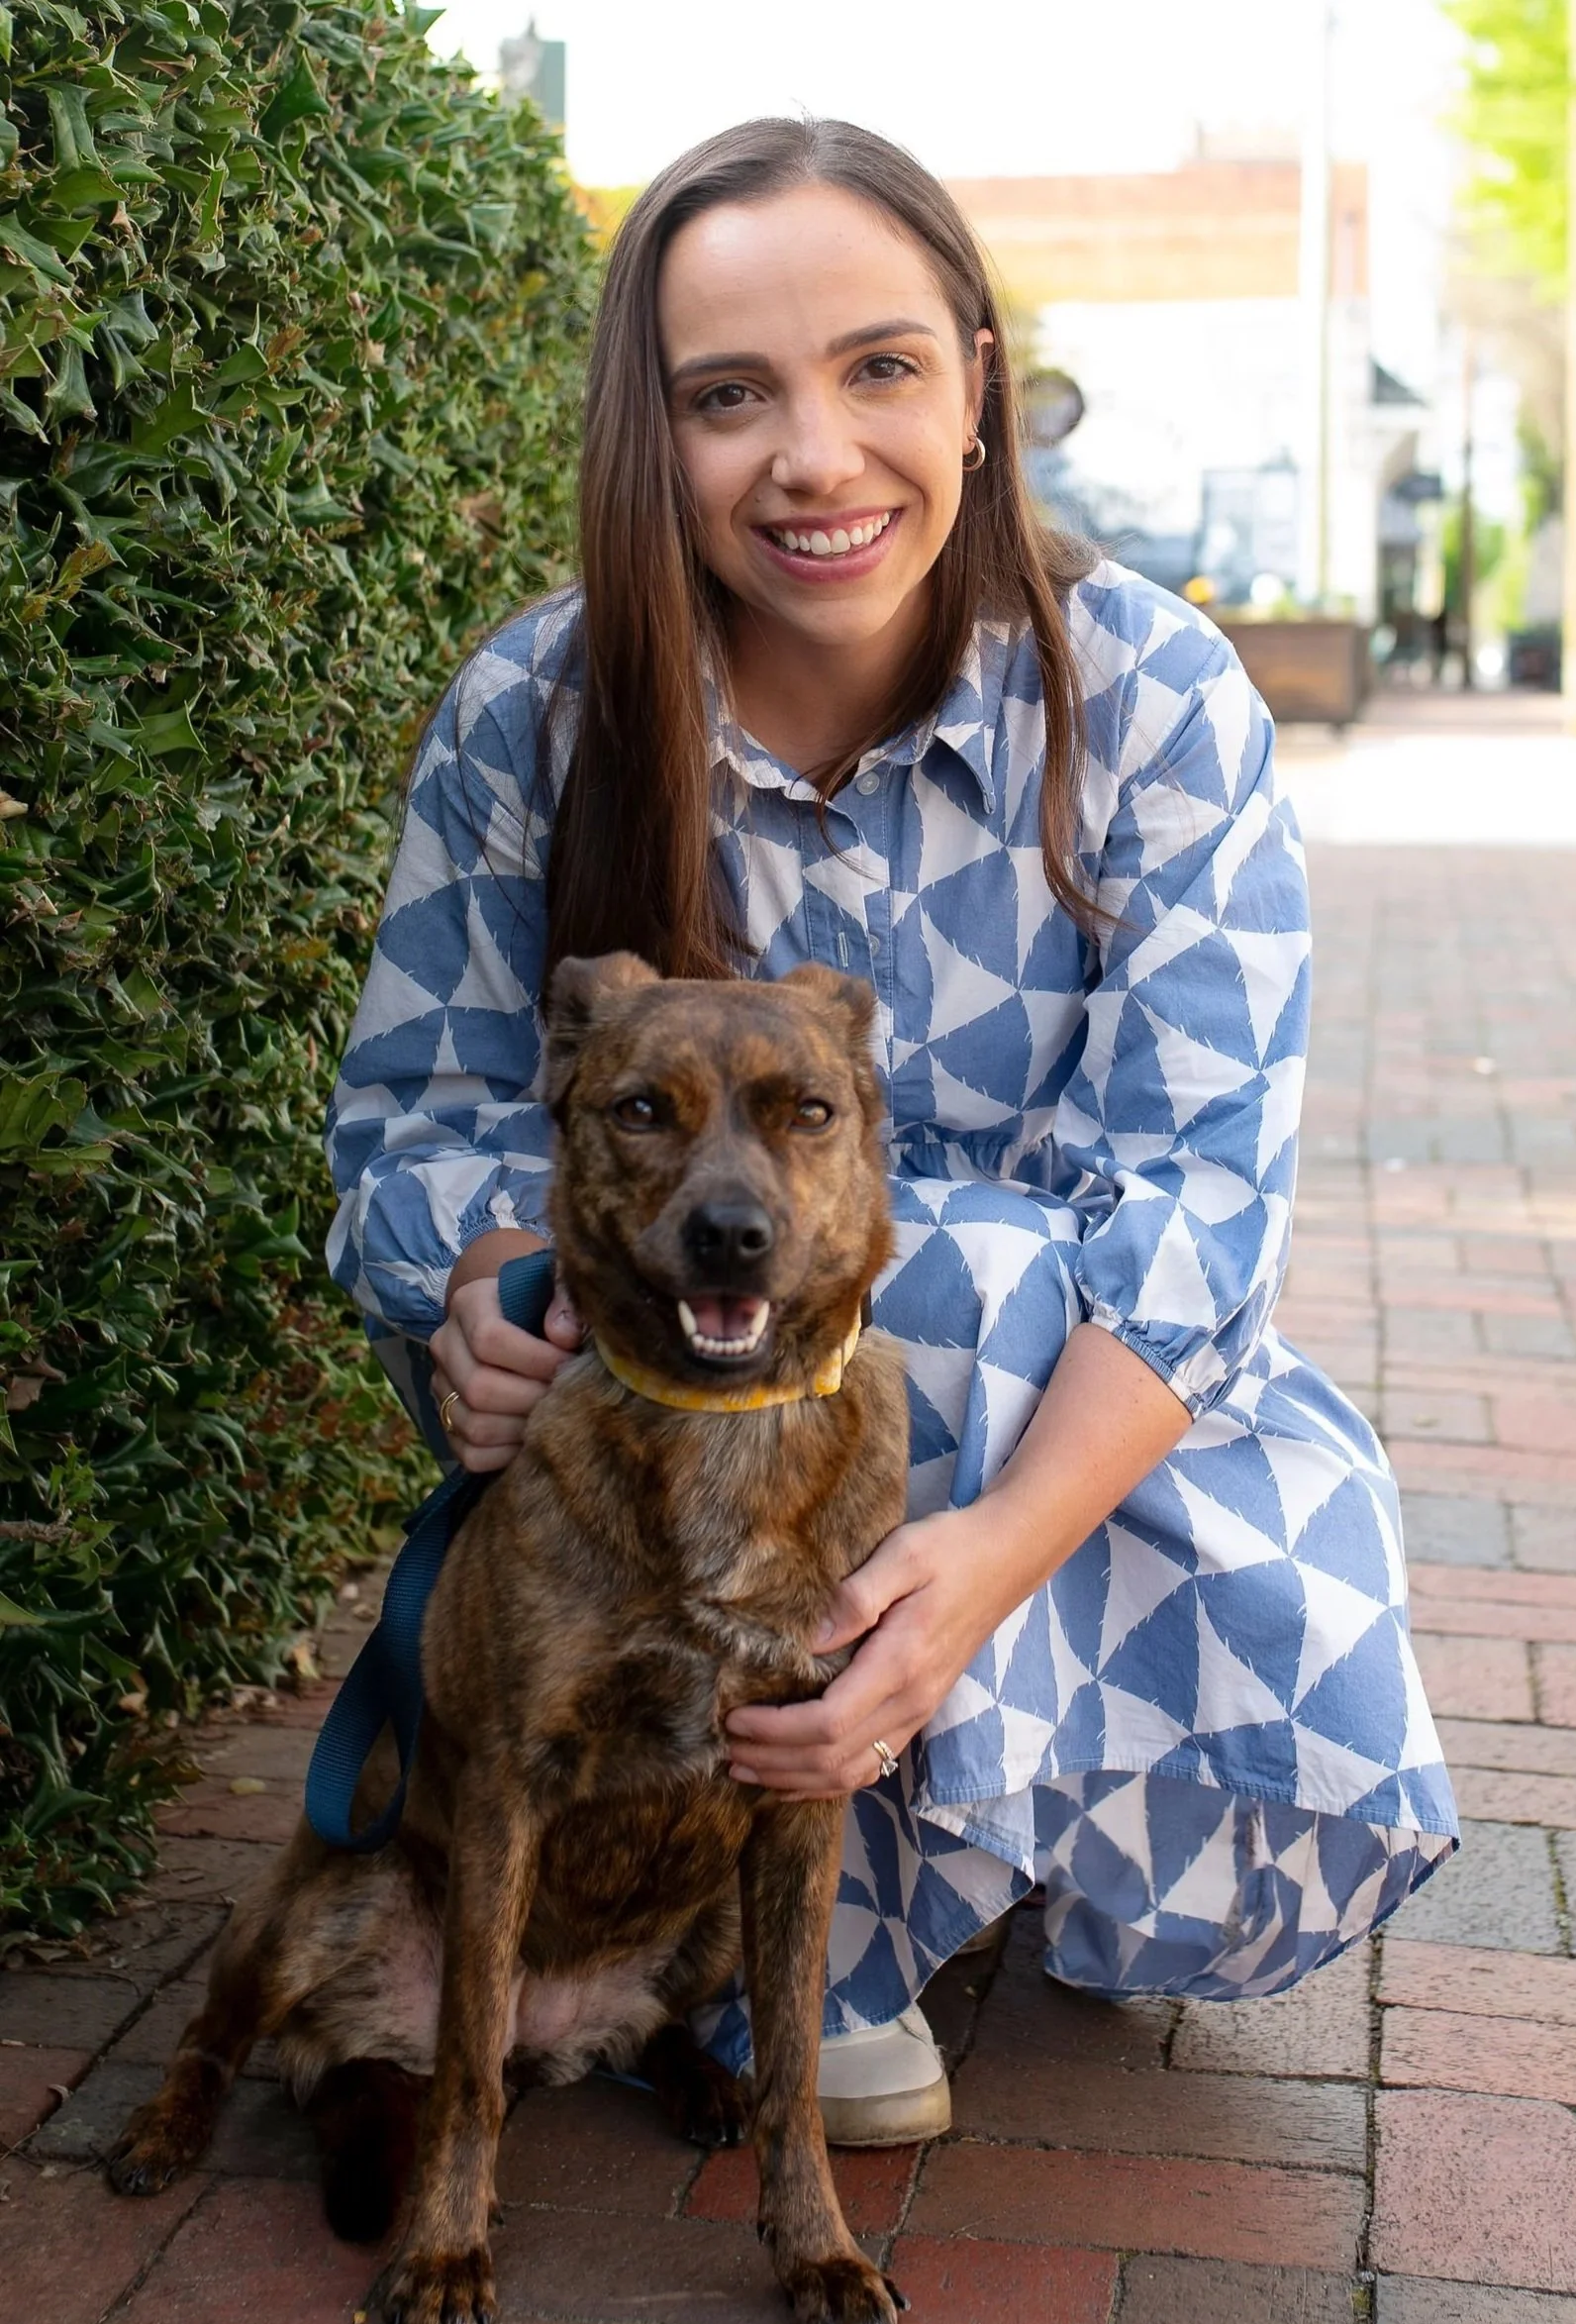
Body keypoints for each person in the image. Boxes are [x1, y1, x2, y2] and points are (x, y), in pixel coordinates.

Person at [325, 117, 1457, 2147]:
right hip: (656, 1419)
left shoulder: (1155, 697)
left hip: (1071, 1415)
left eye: (879, 368)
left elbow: (1202, 1193)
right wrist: (476, 1286)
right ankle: (802, 1931)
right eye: (724, 394)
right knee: (802, 1263)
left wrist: (980, 1573)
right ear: (643, 430)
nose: (814, 455)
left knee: (948, 1256)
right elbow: (410, 1113)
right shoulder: (540, 707)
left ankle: (911, 1846)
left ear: (978, 382)